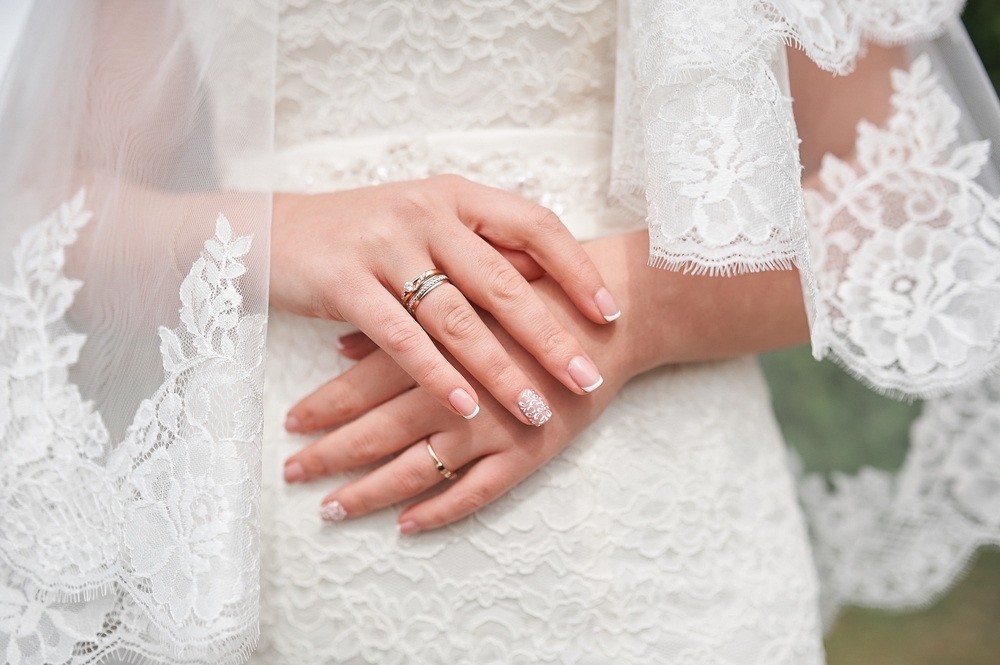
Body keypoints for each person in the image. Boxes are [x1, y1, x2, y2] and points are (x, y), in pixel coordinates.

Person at [2, 1, 999, 664]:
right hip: (299, 531)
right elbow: (49, 209)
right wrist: (282, 230)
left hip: (655, 555)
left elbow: (909, 202)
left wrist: (622, 307)